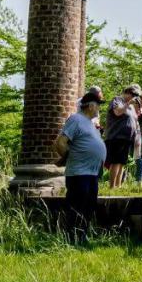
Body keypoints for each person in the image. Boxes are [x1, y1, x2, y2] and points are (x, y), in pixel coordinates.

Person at [53, 89, 107, 243]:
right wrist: (68, 157)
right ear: (90, 106)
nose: (99, 108)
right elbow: (61, 142)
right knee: (77, 205)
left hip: (91, 173)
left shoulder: (90, 123)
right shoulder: (76, 119)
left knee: (89, 206)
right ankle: (71, 237)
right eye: (98, 105)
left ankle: (82, 236)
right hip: (79, 173)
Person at [103, 86, 140, 189]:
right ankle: (112, 186)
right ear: (127, 92)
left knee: (122, 162)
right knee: (115, 162)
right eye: (133, 95)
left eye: (136, 96)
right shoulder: (117, 99)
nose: (134, 98)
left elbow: (134, 121)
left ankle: (118, 186)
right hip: (116, 136)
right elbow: (117, 112)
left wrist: (136, 137)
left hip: (127, 139)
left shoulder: (132, 107)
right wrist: (128, 104)